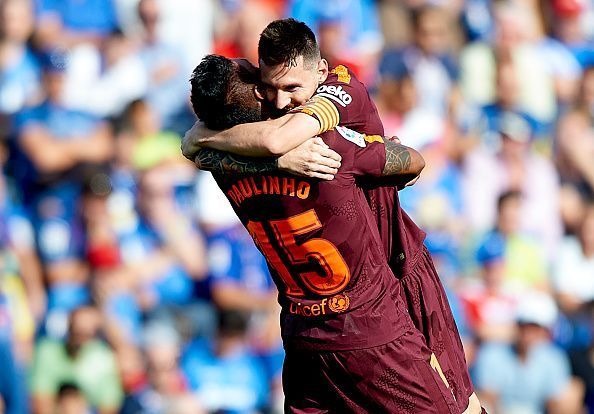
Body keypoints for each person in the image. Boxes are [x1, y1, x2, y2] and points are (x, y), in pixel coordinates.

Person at [182, 18, 480, 413]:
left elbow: (198, 145)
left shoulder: (221, 164)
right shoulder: (327, 145)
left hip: (305, 330)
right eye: (268, 87)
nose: (281, 100)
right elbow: (412, 162)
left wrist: (205, 137)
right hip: (382, 303)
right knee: (460, 407)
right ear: (257, 92)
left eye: (289, 88)